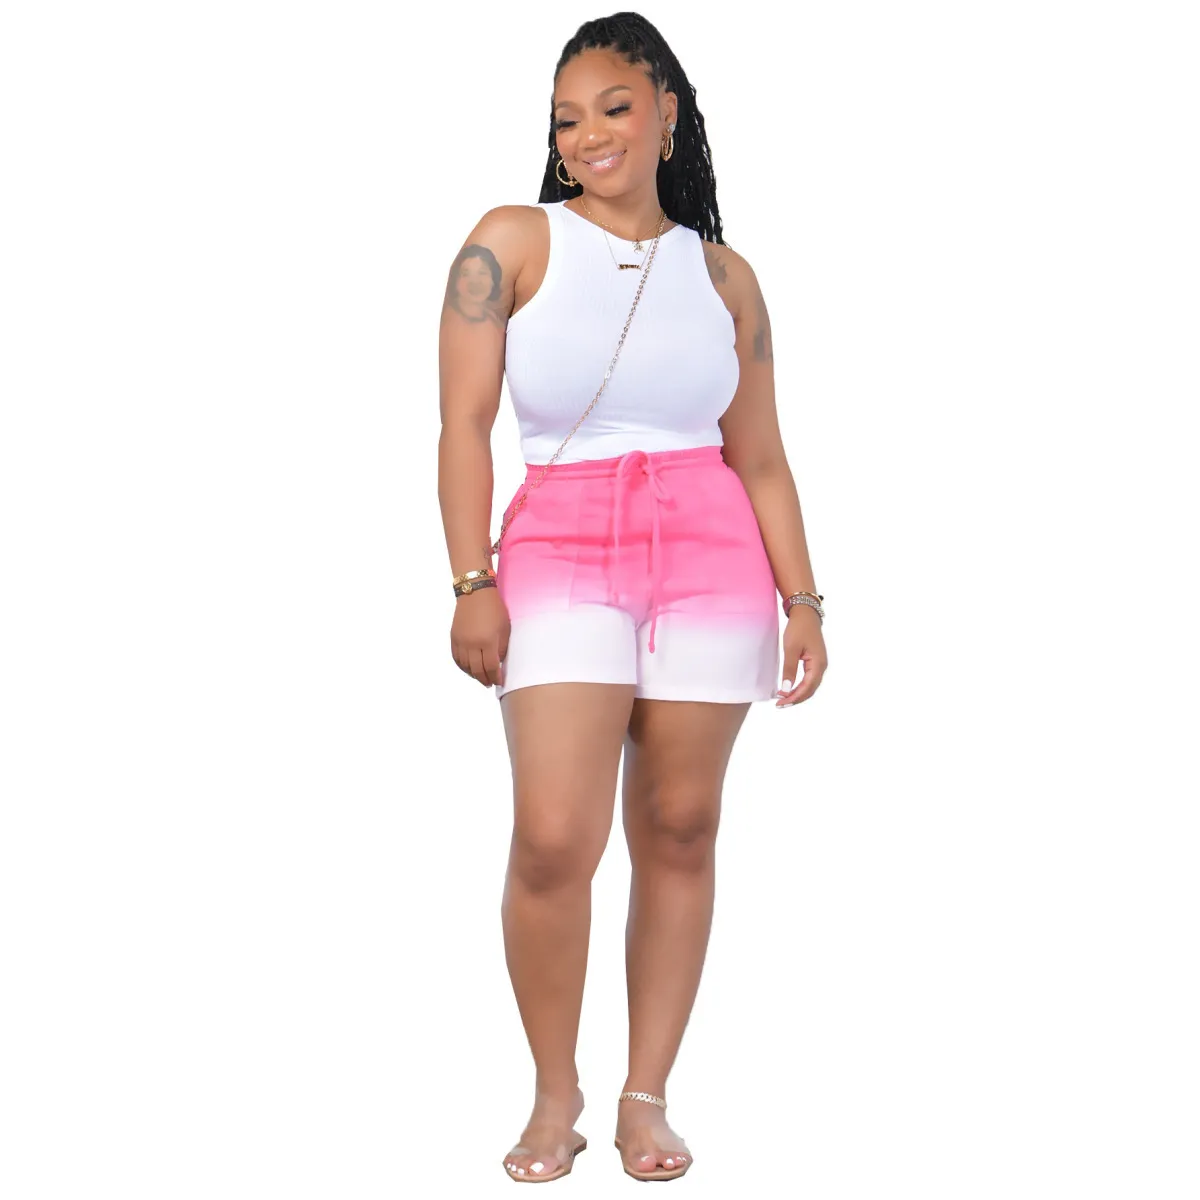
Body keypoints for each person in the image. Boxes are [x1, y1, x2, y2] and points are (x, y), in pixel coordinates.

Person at [437, 11, 828, 1183]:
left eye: (614, 106)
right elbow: (461, 425)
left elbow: (762, 457)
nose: (590, 134)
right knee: (555, 836)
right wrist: (471, 579)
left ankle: (644, 1096)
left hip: (712, 553)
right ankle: (553, 1091)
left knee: (682, 826)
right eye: (567, 119)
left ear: (667, 111)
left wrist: (806, 601)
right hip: (559, 544)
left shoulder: (725, 277)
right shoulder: (511, 242)